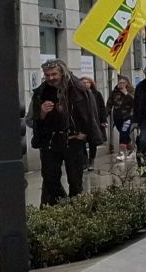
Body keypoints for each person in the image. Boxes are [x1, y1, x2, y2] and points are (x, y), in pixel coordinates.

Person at [31, 60, 103, 206]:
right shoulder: (42, 91)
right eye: (47, 75)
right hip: (51, 141)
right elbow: (35, 119)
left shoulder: (77, 88)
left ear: (62, 73)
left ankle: (76, 209)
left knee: (75, 180)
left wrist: (85, 134)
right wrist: (42, 112)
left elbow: (89, 114)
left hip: (73, 140)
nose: (51, 78)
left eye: (54, 74)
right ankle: (61, 205)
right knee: (50, 178)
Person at [107, 76, 136, 154]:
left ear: (127, 83)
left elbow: (134, 102)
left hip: (128, 116)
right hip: (117, 117)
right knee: (124, 134)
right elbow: (109, 104)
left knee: (124, 132)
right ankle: (131, 149)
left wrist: (126, 93)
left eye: (123, 83)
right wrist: (105, 115)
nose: (122, 84)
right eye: (120, 83)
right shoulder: (114, 92)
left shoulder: (131, 91)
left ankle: (121, 152)